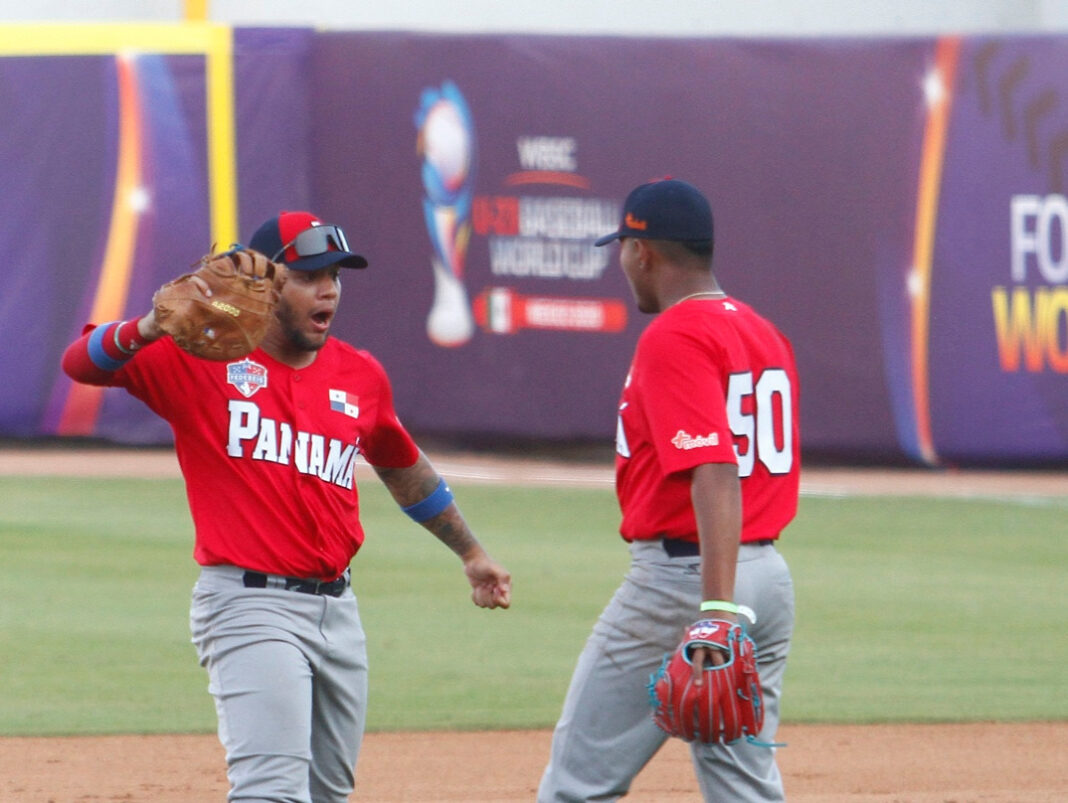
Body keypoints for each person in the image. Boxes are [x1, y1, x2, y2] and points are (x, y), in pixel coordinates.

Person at [61, 210, 512, 803]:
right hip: (248, 605)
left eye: (336, 276)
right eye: (309, 276)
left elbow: (403, 467)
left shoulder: (360, 374)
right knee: (271, 790)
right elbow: (80, 363)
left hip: (339, 612)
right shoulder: (199, 360)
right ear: (267, 285)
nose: (329, 290)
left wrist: (471, 553)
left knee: (328, 793)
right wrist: (148, 326)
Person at [538, 179, 799, 802]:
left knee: (577, 784)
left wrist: (717, 609)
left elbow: (715, 468)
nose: (623, 262)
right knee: (742, 787)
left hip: (690, 580)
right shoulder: (762, 331)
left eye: (623, 248)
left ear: (643, 251)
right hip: (767, 579)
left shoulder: (675, 335)